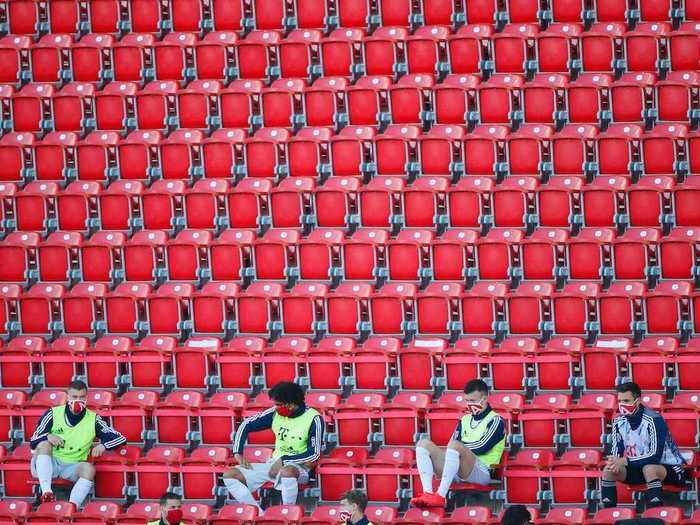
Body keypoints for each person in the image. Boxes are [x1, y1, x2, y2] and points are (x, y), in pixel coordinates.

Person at [223, 382, 324, 509]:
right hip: (273, 464)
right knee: (230, 475)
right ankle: (258, 513)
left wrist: (284, 460)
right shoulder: (274, 413)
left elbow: (314, 453)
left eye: (278, 404)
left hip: (300, 468)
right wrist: (237, 453)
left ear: (291, 404)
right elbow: (245, 425)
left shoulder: (313, 418)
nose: (275, 407)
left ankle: (288, 512)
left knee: (286, 471)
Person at [410, 379, 506, 508]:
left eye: (472, 401)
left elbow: (482, 447)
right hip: (459, 468)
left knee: (455, 446)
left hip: (484, 472)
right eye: (467, 400)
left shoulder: (496, 420)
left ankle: (440, 496)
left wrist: (460, 447)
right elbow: (452, 445)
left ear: (484, 399)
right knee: (423, 444)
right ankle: (428, 493)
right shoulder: (465, 419)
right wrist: (456, 449)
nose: (469, 404)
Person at [30, 380, 126, 505]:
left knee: (89, 469)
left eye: (81, 397)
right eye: (74, 397)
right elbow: (33, 440)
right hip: (50, 461)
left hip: (73, 465)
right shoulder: (53, 413)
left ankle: (72, 507)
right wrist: (48, 436)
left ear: (87, 398)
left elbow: (120, 438)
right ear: (68, 397)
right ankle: (47, 492)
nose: (77, 400)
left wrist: (104, 445)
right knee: (44, 444)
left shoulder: (94, 419)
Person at [601, 382, 687, 509]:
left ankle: (655, 515)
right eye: (619, 400)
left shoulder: (654, 420)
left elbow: (654, 457)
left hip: (670, 469)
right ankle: (608, 515)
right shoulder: (618, 421)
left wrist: (624, 461)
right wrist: (613, 462)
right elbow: (616, 452)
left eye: (626, 400)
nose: (622, 405)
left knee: (649, 468)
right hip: (638, 467)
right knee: (608, 471)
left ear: (637, 400)